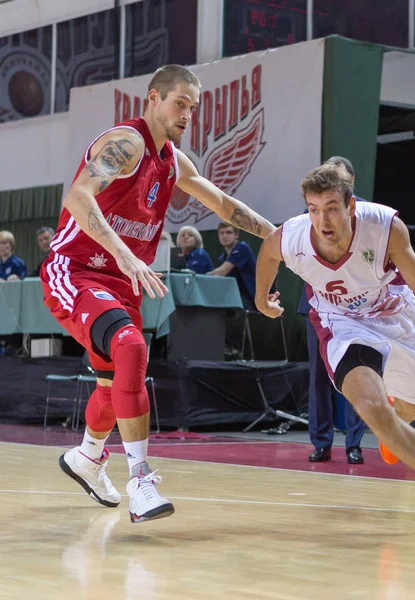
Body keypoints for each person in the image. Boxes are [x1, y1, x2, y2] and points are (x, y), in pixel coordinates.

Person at [41, 64, 275, 524]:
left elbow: (225, 205)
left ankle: (87, 457)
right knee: (130, 347)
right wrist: (125, 256)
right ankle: (140, 480)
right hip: (79, 272)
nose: (187, 113)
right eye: (179, 102)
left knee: (111, 388)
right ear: (153, 98)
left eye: (193, 106)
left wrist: (280, 238)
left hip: (123, 283)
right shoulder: (126, 143)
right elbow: (77, 196)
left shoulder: (173, 160)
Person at [255, 164, 415, 536]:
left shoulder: (383, 227)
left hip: (393, 313)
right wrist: (261, 300)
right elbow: (268, 255)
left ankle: (395, 423)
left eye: (332, 207)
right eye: (314, 209)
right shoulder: (293, 236)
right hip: (340, 324)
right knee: (370, 406)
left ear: (351, 206)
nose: (323, 219)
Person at [297, 156, 366, 465]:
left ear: (349, 183)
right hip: (317, 303)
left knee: (355, 374)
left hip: (354, 306)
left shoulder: (365, 213)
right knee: (318, 377)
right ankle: (321, 442)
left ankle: (355, 443)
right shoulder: (312, 213)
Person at [209, 222, 256, 309]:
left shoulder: (242, 248)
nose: (225, 236)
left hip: (250, 299)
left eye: (228, 232)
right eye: (221, 233)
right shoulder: (222, 258)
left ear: (237, 234)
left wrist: (201, 276)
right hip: (233, 297)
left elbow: (220, 272)